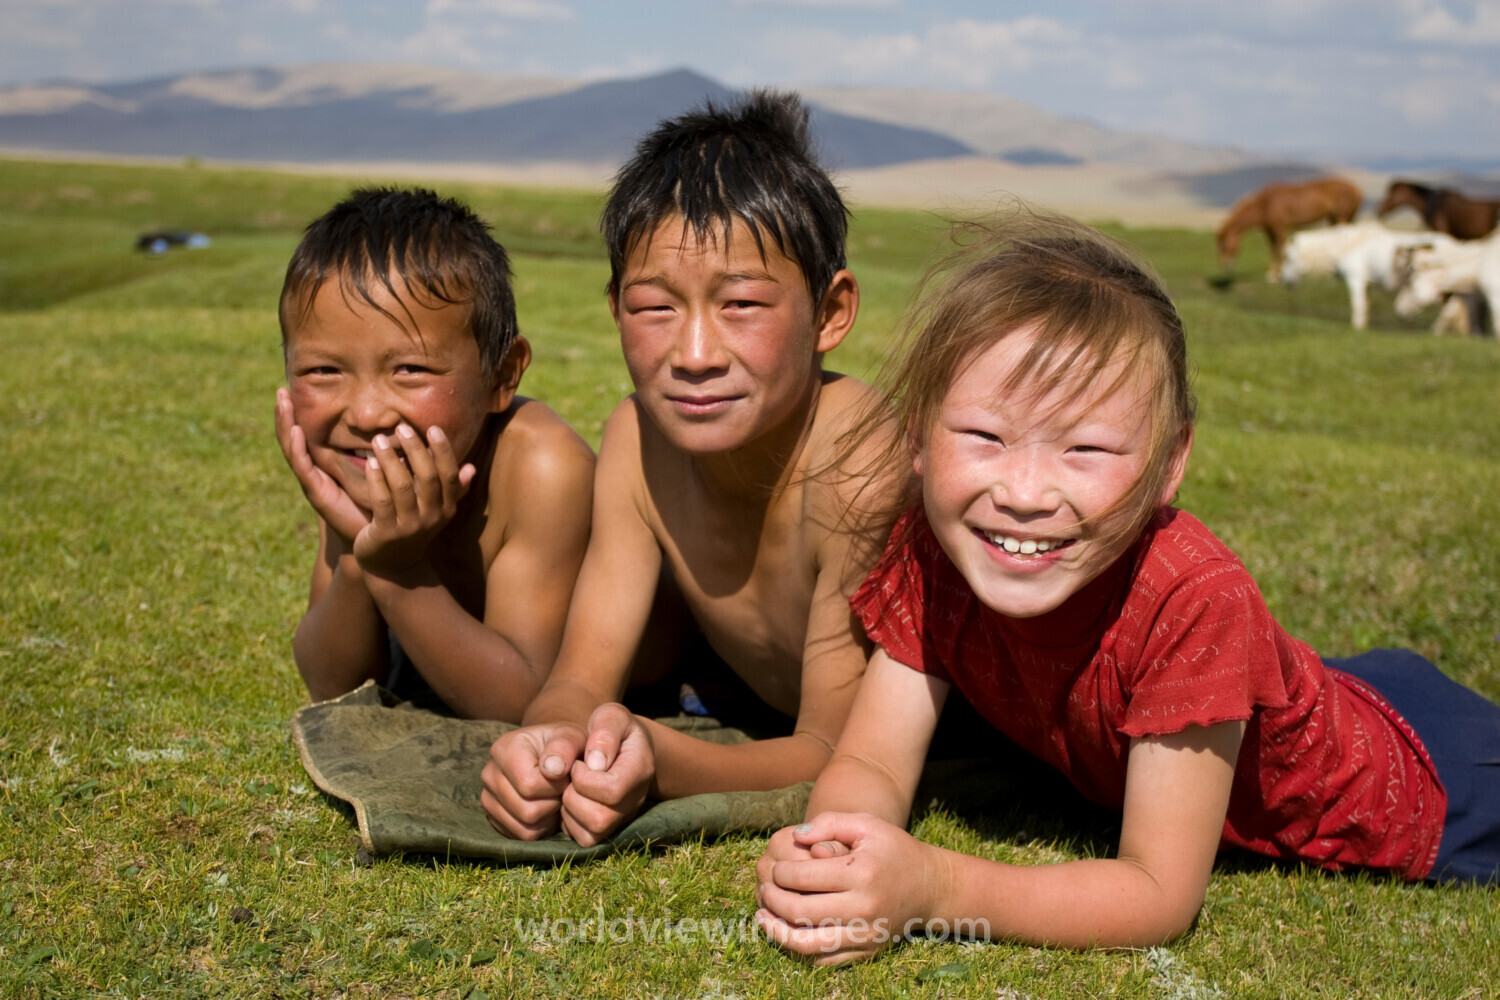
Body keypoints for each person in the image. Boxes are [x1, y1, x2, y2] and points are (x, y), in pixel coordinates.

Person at [754, 206, 1500, 964]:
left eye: (1085, 448)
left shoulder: (1196, 599)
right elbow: (876, 760)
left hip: (1448, 780)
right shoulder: (933, 548)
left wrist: (933, 886)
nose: (1024, 491)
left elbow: (1156, 890)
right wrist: (837, 848)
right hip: (1342, 685)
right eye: (984, 436)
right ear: (916, 434)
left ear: (1170, 464)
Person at [479, 90, 899, 847]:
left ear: (831, 312)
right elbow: (580, 678)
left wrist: (668, 759)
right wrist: (543, 745)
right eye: (654, 308)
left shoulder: (857, 455)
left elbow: (836, 753)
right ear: (614, 310)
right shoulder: (638, 441)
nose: (696, 354)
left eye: (741, 304)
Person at [275, 187, 595, 720]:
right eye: (323, 372)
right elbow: (334, 689)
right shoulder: (364, 465)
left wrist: (397, 571)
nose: (366, 415)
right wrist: (361, 552)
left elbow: (523, 704)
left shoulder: (544, 468)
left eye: (410, 371)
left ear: (503, 374)